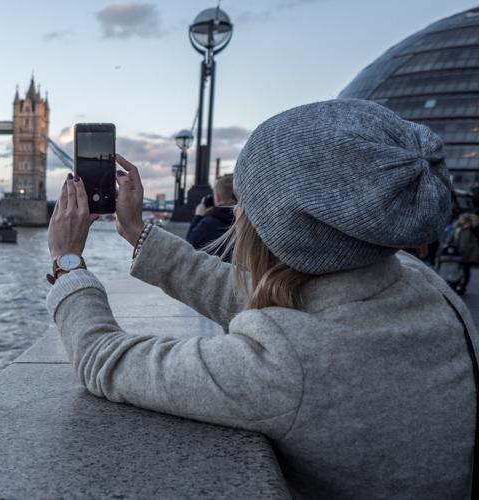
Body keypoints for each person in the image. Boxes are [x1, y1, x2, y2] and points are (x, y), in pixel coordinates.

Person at [46, 99, 477, 498]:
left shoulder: (293, 363)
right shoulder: (421, 284)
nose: (236, 212)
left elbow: (104, 360)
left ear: (284, 225)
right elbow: (258, 297)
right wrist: (135, 230)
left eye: (246, 202)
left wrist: (67, 260)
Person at [185, 174, 236, 253]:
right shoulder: (246, 220)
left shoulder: (208, 223)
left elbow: (188, 246)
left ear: (218, 198)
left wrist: (198, 216)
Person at [452, 212, 479, 295]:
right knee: (461, 270)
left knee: (465, 271)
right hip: (461, 253)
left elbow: (469, 244)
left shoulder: (470, 229)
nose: (459, 220)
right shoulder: (461, 228)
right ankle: (458, 285)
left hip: (467, 254)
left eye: (460, 218)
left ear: (465, 220)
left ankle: (462, 287)